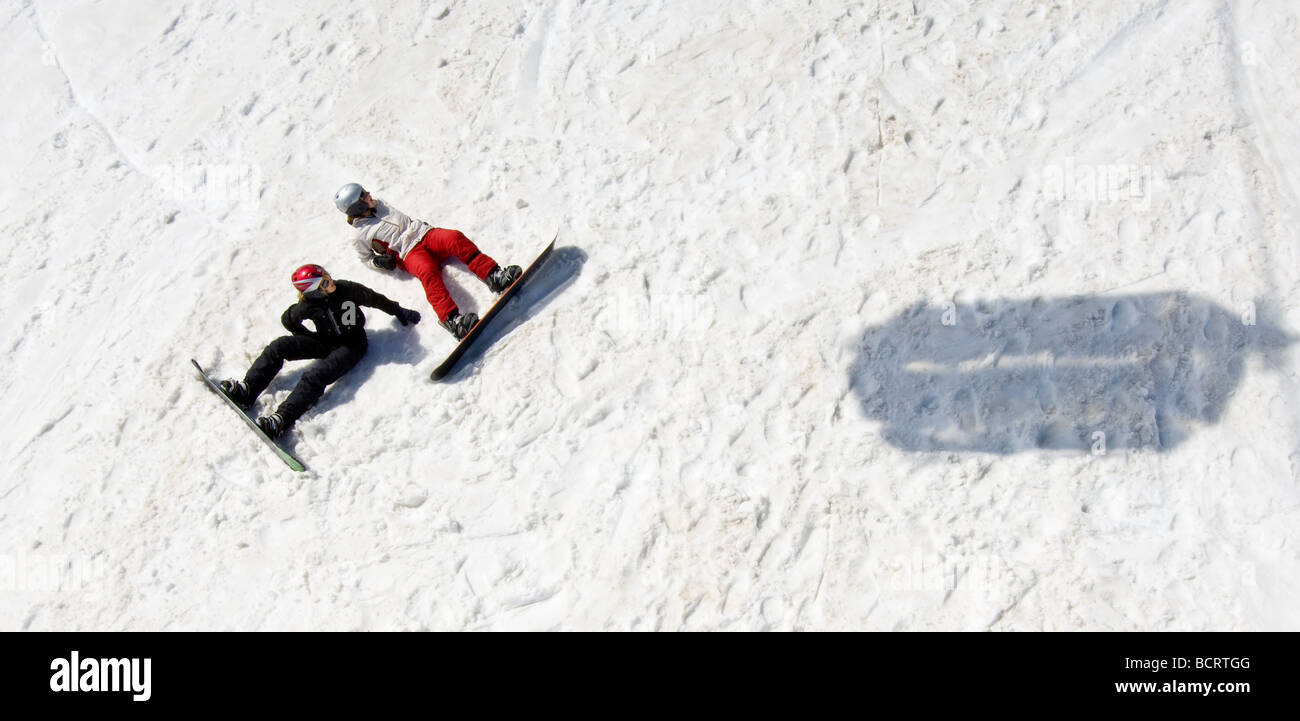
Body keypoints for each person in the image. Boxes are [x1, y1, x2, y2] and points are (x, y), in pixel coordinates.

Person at [218, 264, 422, 438]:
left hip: (352, 345)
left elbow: (375, 299)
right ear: (313, 291)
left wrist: (399, 311)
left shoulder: (346, 290)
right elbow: (288, 319)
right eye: (324, 282)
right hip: (325, 341)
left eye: (328, 277)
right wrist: (305, 337)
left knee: (315, 376)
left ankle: (281, 420)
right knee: (278, 346)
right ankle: (247, 390)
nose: (330, 282)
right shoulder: (307, 305)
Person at [332, 182, 522, 339]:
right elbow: (365, 258)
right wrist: (379, 262)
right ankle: (452, 321)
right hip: (408, 253)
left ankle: (495, 276)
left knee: (454, 238)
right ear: (357, 207)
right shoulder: (359, 236)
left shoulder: (379, 204)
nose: (369, 194)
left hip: (425, 234)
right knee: (427, 270)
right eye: (364, 195)